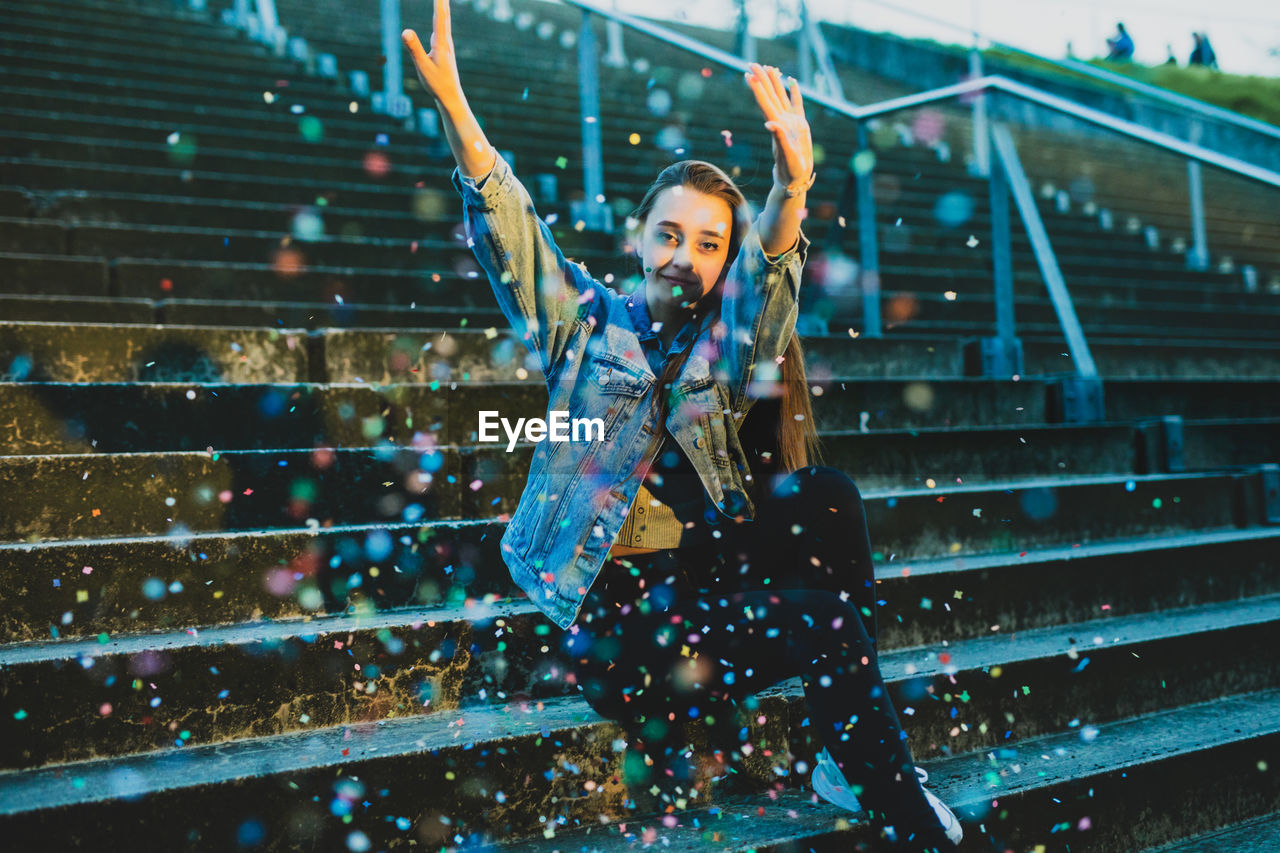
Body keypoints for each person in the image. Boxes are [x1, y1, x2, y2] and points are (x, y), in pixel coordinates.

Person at [402, 1, 962, 849]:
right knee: (828, 622)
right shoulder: (585, 326)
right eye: (668, 234)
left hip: (701, 592)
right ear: (638, 240)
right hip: (618, 630)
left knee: (826, 493)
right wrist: (462, 123)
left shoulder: (726, 352)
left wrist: (791, 188)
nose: (683, 257)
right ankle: (901, 807)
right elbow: (517, 241)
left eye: (707, 244)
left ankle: (848, 762)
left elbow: (768, 279)